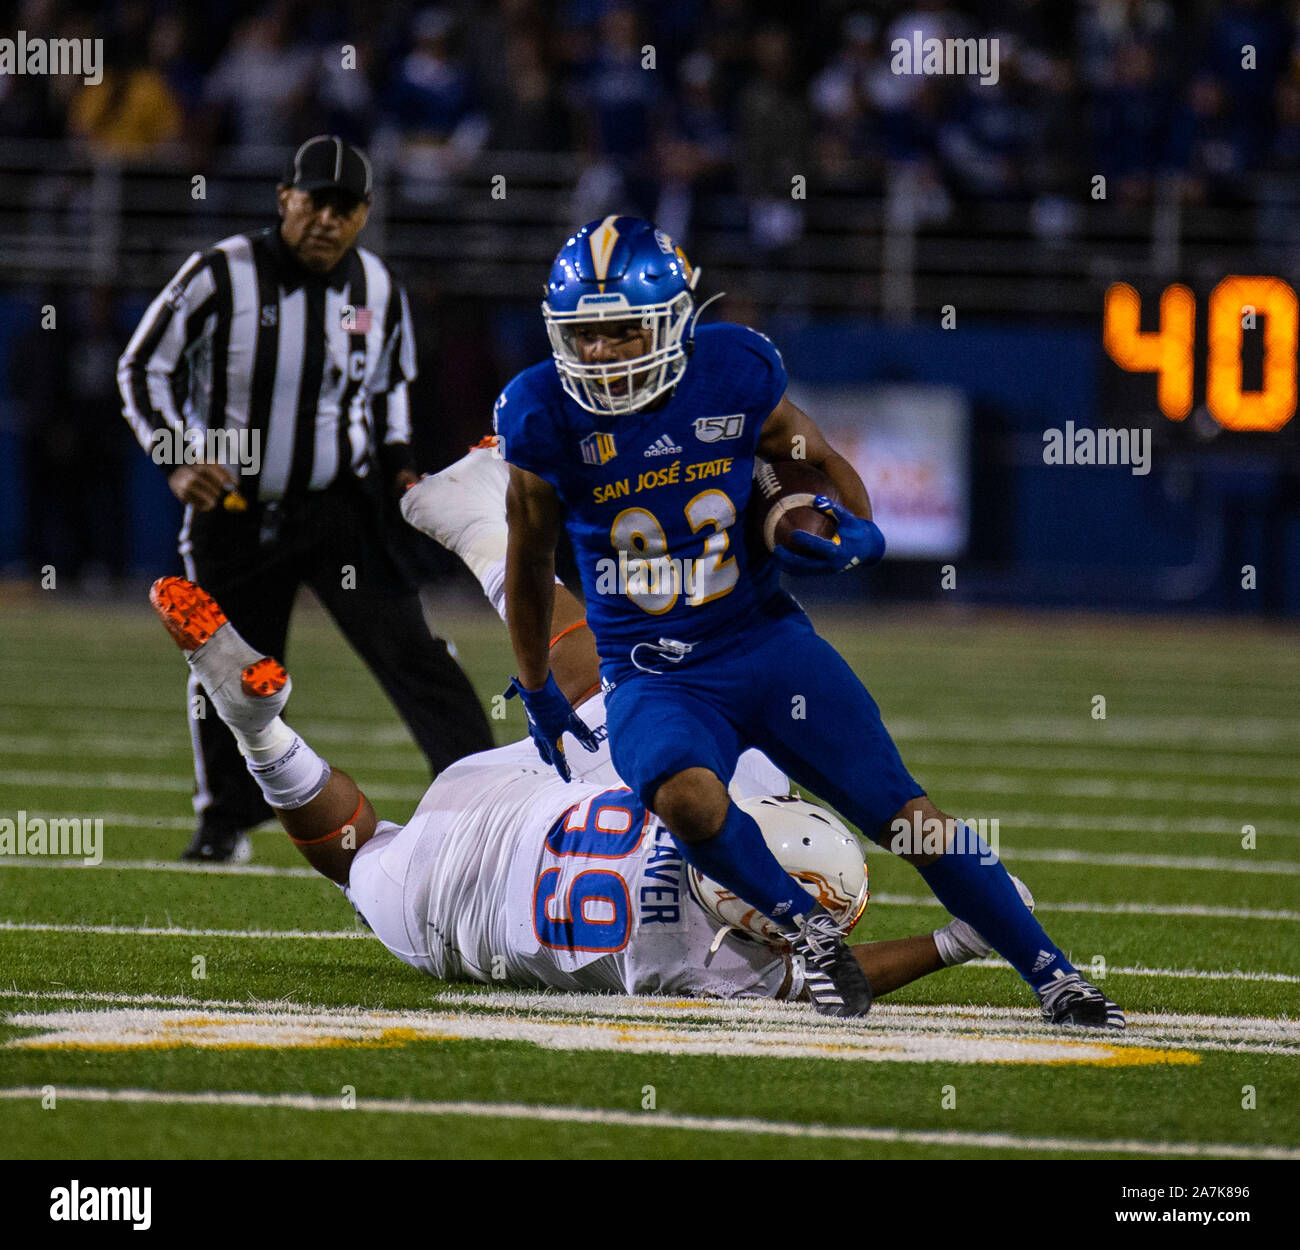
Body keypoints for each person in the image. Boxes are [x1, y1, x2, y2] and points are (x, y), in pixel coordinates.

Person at [493, 215, 1123, 1027]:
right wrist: (540, 686)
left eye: (623, 331)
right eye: (587, 335)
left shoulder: (734, 367)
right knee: (685, 798)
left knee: (908, 818)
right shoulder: (542, 412)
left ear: (674, 324)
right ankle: (811, 931)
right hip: (652, 669)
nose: (604, 353)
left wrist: (856, 532)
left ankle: (1054, 974)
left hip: (761, 639)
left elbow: (817, 465)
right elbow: (526, 557)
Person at [145, 441, 1027, 1004]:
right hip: (464, 901)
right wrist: (953, 942)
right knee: (355, 853)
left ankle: (483, 523)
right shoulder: (708, 965)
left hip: (553, 797)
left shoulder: (741, 796)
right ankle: (256, 723)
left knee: (629, 689)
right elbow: (830, 976)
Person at [117, 135, 494, 864]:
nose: (326, 218)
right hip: (235, 509)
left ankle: (488, 796)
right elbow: (142, 366)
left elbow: (387, 393)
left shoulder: (377, 287)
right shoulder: (220, 274)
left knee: (413, 652)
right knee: (229, 671)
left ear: (364, 214)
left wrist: (402, 476)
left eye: (343, 207)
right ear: (284, 198)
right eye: (314, 200)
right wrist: (174, 453)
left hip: (340, 508)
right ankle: (226, 821)